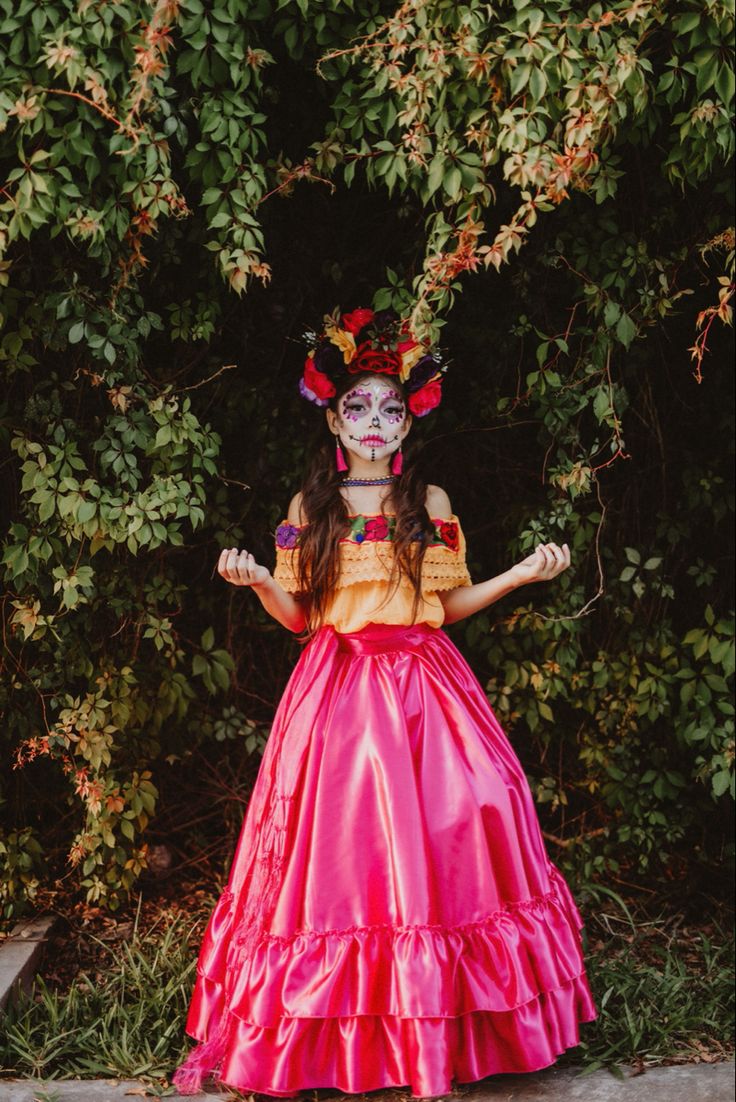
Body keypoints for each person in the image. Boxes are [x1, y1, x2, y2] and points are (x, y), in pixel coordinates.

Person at [172, 308, 598, 1098]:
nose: (376, 422)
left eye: (391, 409)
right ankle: (338, 1038)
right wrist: (261, 581)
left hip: (429, 689)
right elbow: (301, 619)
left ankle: (448, 1026)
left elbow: (451, 603)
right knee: (339, 863)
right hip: (338, 699)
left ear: (410, 420)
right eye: (360, 407)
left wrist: (519, 576)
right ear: (333, 415)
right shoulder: (310, 509)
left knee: (467, 819)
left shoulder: (426, 500)